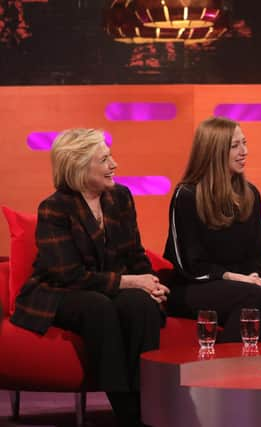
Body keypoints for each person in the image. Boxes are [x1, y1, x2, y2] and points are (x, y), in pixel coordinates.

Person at [10, 128, 169, 427]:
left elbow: (134, 253)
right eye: (105, 159)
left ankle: (148, 405)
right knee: (98, 307)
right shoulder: (54, 208)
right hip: (59, 291)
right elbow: (69, 275)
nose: (115, 165)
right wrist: (131, 282)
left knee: (141, 305)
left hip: (105, 286)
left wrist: (151, 283)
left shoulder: (120, 198)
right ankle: (129, 415)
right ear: (80, 167)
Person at [163, 116, 261, 343]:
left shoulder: (250, 193)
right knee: (252, 296)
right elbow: (186, 262)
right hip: (193, 287)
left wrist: (253, 275)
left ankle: (239, 360)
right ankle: (219, 368)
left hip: (239, 288)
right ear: (213, 151)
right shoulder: (187, 195)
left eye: (245, 143)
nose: (244, 151)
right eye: (235, 146)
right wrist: (233, 277)